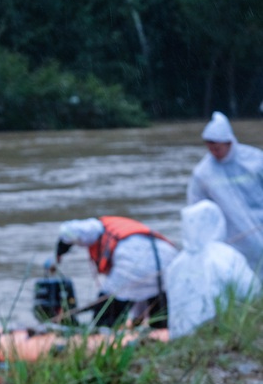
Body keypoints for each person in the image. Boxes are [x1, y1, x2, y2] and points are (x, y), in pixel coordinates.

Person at [55, 216, 178, 327]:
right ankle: (160, 331)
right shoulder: (123, 228)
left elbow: (67, 230)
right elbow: (139, 294)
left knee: (108, 306)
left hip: (135, 260)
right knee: (156, 303)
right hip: (170, 259)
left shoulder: (96, 227)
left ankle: (102, 332)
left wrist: (61, 248)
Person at [165, 200, 260, 339]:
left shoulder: (176, 264)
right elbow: (253, 292)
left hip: (181, 339)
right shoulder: (226, 256)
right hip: (222, 332)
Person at [187, 111, 263, 273]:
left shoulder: (255, 159)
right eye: (210, 148)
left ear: (229, 142)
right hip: (232, 238)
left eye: (217, 147)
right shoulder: (202, 173)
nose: (214, 152)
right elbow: (195, 209)